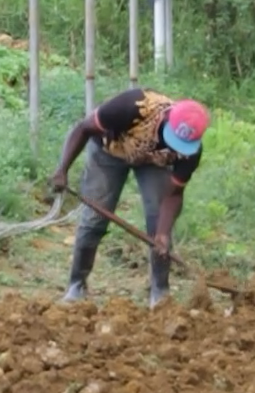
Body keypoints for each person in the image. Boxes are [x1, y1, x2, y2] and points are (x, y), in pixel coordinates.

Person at [49, 88, 210, 307]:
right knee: (94, 217)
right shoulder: (132, 107)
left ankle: (159, 294)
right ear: (166, 119)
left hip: (153, 162)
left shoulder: (190, 152)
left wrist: (162, 234)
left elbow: (173, 195)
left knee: (159, 226)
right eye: (172, 139)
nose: (174, 147)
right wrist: (62, 170)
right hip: (109, 151)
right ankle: (77, 285)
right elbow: (83, 128)